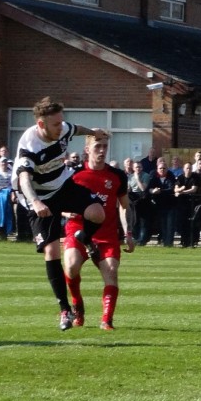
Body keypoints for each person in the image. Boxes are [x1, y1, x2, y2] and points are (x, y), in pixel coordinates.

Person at [12, 97, 108, 330]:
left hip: (61, 185)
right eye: (55, 124)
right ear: (41, 125)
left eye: (61, 122)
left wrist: (94, 132)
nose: (61, 127)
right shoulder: (30, 146)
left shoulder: (62, 128)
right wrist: (35, 202)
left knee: (97, 213)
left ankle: (84, 237)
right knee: (52, 250)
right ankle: (65, 310)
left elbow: (75, 129)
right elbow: (24, 179)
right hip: (38, 197)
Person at [62, 134, 134, 330]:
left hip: (106, 233)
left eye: (104, 146)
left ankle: (106, 321)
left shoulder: (117, 176)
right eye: (97, 146)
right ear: (87, 150)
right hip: (78, 229)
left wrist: (128, 233)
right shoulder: (73, 175)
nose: (102, 150)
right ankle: (77, 304)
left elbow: (124, 206)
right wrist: (64, 211)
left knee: (111, 272)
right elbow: (57, 202)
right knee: (70, 266)